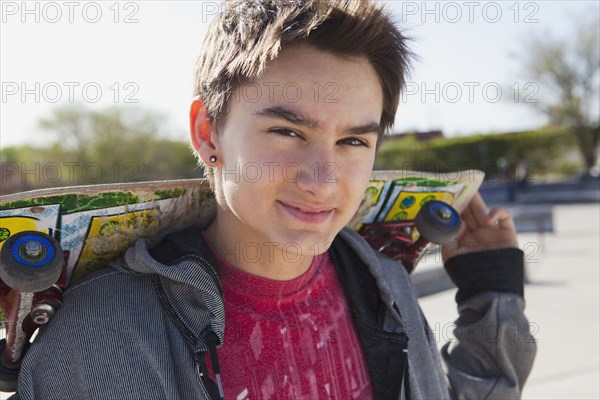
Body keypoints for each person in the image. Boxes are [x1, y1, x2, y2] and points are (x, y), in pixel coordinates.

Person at [12, 0, 536, 399]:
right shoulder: (105, 331)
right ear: (207, 133)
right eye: (287, 131)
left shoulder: (386, 286)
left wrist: (493, 291)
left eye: (353, 140)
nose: (323, 180)